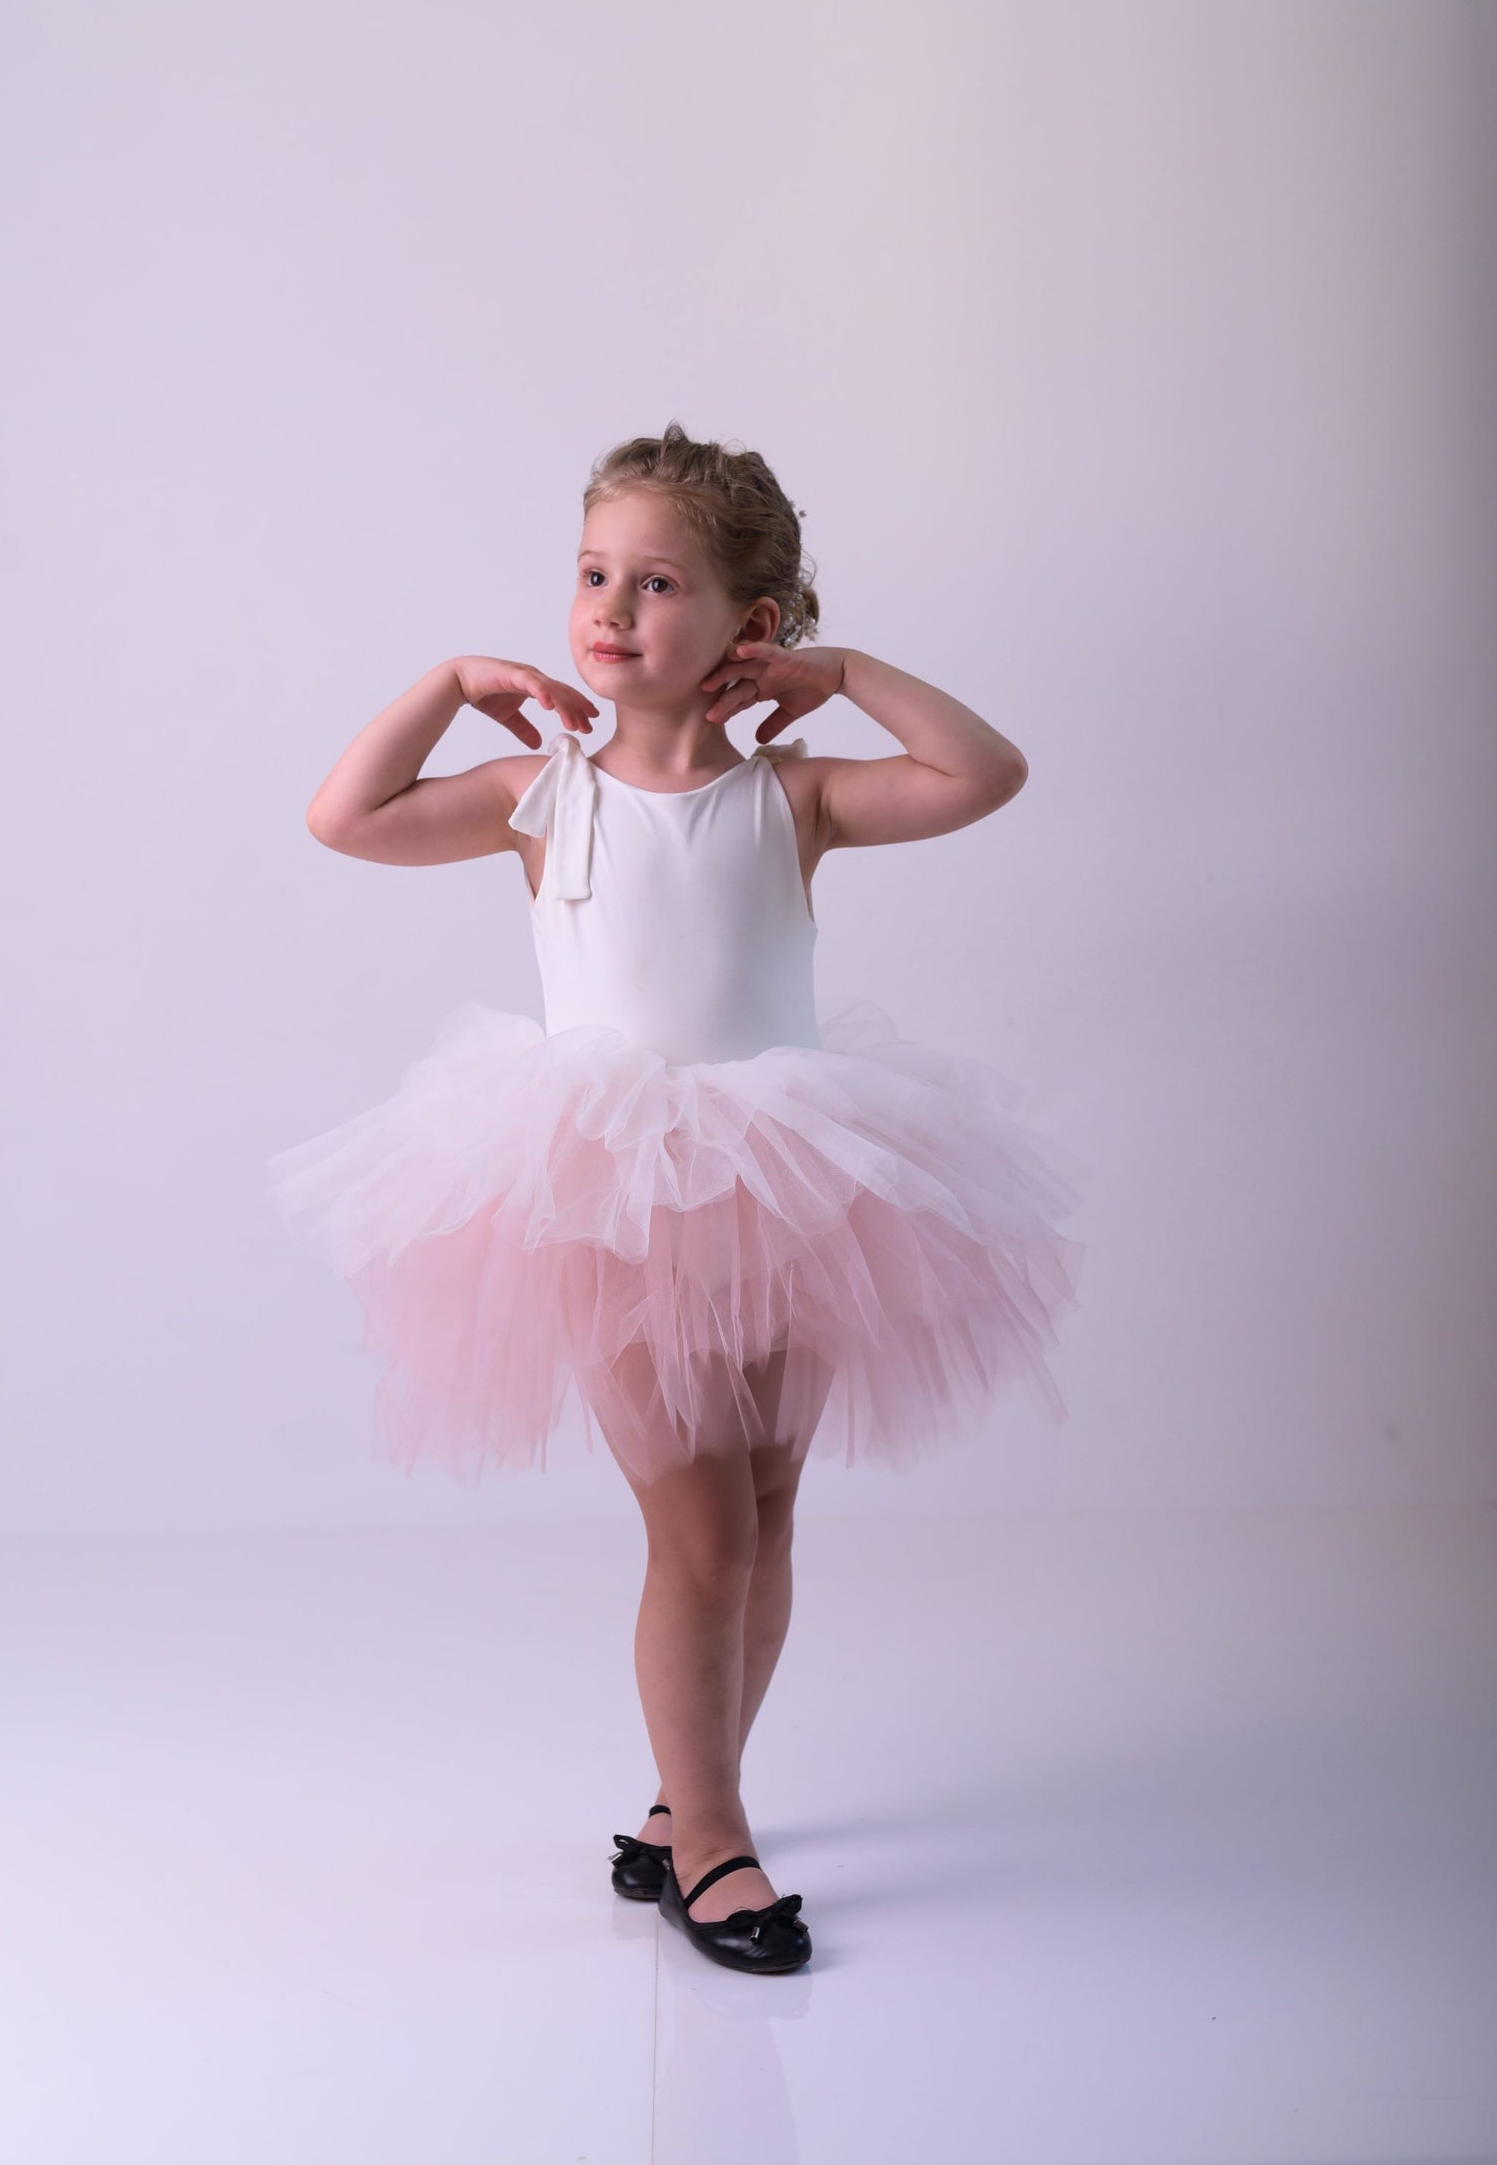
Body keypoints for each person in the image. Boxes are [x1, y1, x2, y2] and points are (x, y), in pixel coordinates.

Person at [267, 420, 1085, 1975]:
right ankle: (711, 1839)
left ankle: (681, 1803)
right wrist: (450, 683)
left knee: (767, 1518)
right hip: (606, 1193)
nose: (611, 609)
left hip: (790, 1179)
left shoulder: (796, 800)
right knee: (701, 1527)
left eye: (657, 584)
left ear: (747, 631)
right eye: (593, 574)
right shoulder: (538, 794)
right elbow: (344, 819)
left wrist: (843, 676)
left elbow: (986, 772)